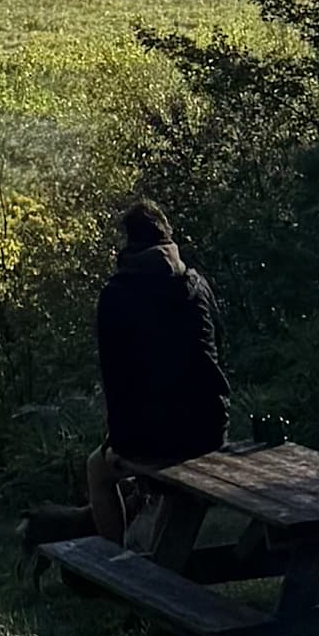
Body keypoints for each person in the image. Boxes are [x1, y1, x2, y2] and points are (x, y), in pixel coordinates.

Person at [84, 197, 228, 548]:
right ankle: (163, 565)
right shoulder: (197, 286)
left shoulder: (116, 296)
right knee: (182, 491)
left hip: (148, 438)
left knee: (97, 470)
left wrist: (116, 440)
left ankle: (114, 563)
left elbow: (115, 378)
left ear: (128, 242)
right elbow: (218, 348)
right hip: (209, 431)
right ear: (167, 235)